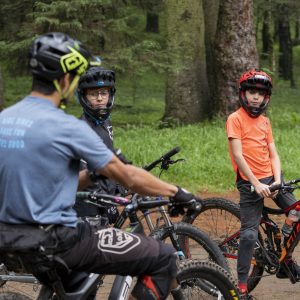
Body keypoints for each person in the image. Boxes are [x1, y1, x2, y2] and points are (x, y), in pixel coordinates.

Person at [0, 32, 198, 300]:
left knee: (83, 289)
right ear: (67, 80)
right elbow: (127, 175)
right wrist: (177, 192)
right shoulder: (67, 126)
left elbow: (46, 182)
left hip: (9, 243)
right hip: (57, 240)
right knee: (162, 257)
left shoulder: (5, 119)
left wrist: (90, 176)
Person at [226, 69, 300, 299]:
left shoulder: (265, 122)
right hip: (249, 182)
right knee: (249, 235)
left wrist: (278, 179)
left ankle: (284, 260)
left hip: (271, 178)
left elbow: (273, 154)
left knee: (297, 212)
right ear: (243, 94)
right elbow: (238, 156)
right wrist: (256, 183)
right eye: (251, 92)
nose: (255, 97)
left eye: (260, 93)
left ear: (266, 97)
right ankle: (241, 285)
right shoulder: (235, 119)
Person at [74, 65, 129, 224]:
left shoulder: (106, 122)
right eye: (93, 94)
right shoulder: (81, 129)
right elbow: (85, 170)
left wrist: (118, 185)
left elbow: (107, 158)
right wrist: (106, 201)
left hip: (103, 196)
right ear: (83, 97)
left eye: (103, 93)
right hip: (86, 203)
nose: (99, 99)